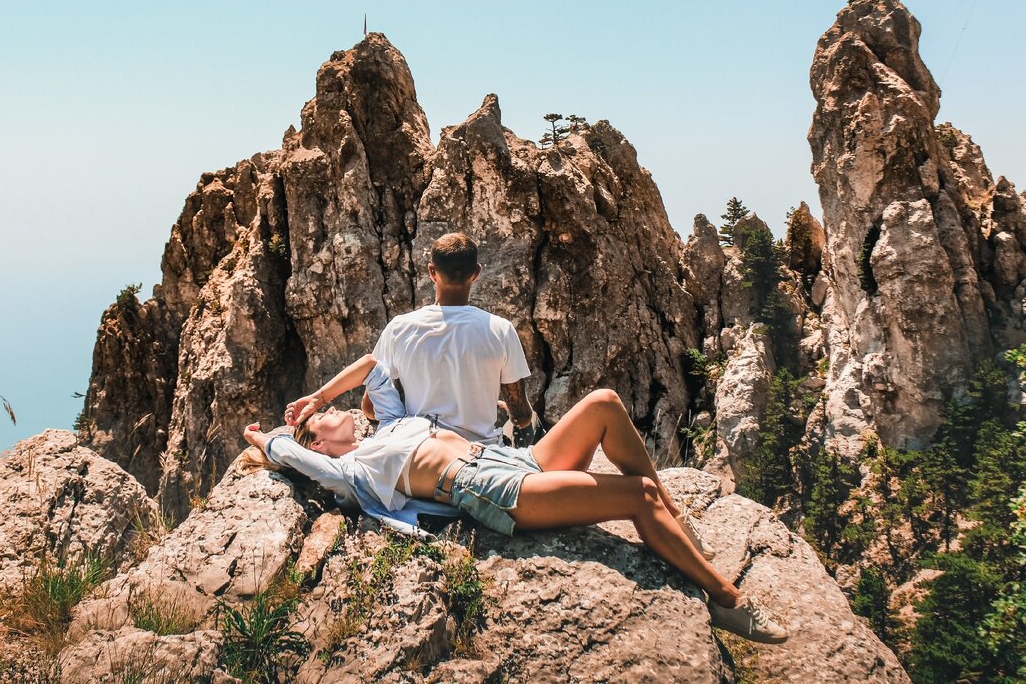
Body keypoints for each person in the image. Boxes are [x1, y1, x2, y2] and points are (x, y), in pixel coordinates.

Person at [247, 358, 789, 646]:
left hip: (515, 461)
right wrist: (270, 441)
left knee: (603, 403)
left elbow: (374, 364)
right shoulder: (354, 470)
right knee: (636, 497)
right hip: (492, 491)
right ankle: (727, 600)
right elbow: (304, 463)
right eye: (316, 422)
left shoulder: (381, 426)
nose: (323, 414)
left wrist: (321, 395)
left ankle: (676, 519)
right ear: (317, 443)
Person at [286, 232, 537, 445]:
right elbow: (520, 414)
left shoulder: (400, 328)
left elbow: (370, 408)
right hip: (480, 452)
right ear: (476, 273)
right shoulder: (500, 329)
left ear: (431, 272)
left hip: (421, 450)